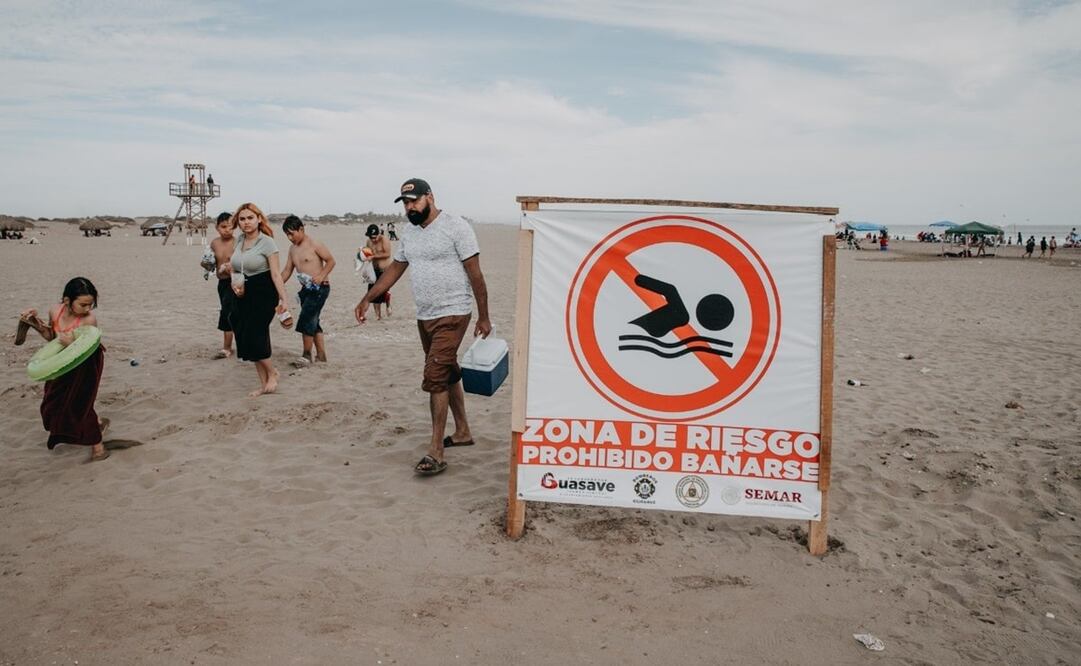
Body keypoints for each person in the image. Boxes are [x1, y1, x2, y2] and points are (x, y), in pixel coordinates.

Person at [355, 178, 491, 476]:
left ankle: (436, 451)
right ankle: (463, 431)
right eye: (405, 202)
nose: (410, 206)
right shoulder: (410, 232)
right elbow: (395, 269)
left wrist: (484, 316)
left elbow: (476, 275)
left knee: (434, 376)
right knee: (447, 371)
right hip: (425, 315)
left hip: (454, 312)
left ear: (430, 197)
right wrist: (368, 298)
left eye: (414, 200)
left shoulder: (456, 227)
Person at [17, 278, 110, 462]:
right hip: (62, 362)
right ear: (67, 301)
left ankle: (98, 449)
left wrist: (72, 344)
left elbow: (87, 348)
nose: (88, 309)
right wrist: (35, 323)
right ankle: (98, 423)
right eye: (83, 304)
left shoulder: (89, 320)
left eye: (91, 304)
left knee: (80, 403)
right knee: (51, 404)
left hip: (86, 362)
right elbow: (52, 337)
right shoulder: (55, 311)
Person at [230, 203, 289, 397]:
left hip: (264, 292)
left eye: (250, 218)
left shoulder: (267, 242)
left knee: (256, 333)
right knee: (244, 332)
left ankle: (272, 373)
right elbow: (235, 266)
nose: (246, 222)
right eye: (242, 219)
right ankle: (263, 384)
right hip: (243, 292)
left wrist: (284, 300)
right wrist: (234, 283)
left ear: (259, 219)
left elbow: (275, 274)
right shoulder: (239, 240)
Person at [280, 215, 335, 366]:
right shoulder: (292, 249)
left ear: (301, 229)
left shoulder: (314, 244)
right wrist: (275, 283)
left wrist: (321, 275)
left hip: (320, 288)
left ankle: (306, 355)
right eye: (287, 235)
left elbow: (331, 261)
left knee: (306, 320)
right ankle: (322, 356)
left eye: (292, 233)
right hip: (305, 289)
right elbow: (287, 271)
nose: (290, 237)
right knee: (314, 322)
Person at [207, 212, 237, 359]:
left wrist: (231, 267)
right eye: (223, 227)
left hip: (236, 282)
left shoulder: (238, 243)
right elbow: (210, 263)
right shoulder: (214, 243)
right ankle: (229, 346)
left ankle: (227, 348)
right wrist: (206, 265)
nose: (227, 230)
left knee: (229, 313)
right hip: (222, 283)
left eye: (230, 227)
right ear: (217, 227)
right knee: (227, 312)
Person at [364, 223, 393, 319]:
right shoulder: (368, 242)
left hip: (385, 269)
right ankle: (378, 315)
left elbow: (387, 254)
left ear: (378, 234)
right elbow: (368, 253)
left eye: (375, 237)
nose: (374, 240)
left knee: (384, 291)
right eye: (372, 238)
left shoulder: (384, 240)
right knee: (373, 292)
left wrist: (374, 256)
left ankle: (388, 305)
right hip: (374, 270)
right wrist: (363, 256)